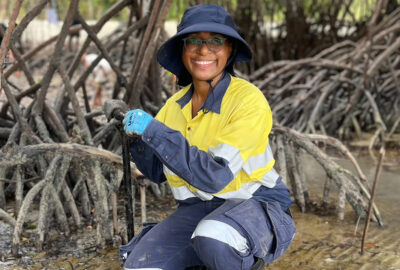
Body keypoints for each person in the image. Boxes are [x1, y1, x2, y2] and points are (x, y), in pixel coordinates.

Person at [121, 4, 296, 270]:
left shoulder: (248, 100)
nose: (204, 51)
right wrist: (136, 139)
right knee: (140, 266)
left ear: (230, 50)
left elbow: (215, 175)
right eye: (194, 42)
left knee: (213, 238)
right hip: (197, 209)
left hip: (256, 204)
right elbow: (157, 171)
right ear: (183, 51)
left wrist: (153, 130)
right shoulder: (173, 106)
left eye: (216, 42)